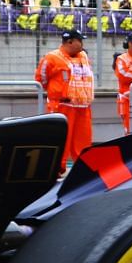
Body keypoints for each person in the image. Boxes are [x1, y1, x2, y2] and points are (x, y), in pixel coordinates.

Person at [36, 28, 95, 166]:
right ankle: (57, 169)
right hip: (62, 106)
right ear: (69, 42)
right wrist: (58, 92)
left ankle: (83, 170)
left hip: (82, 107)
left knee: (83, 142)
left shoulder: (83, 56)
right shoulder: (52, 58)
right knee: (62, 140)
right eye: (79, 41)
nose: (82, 44)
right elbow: (41, 79)